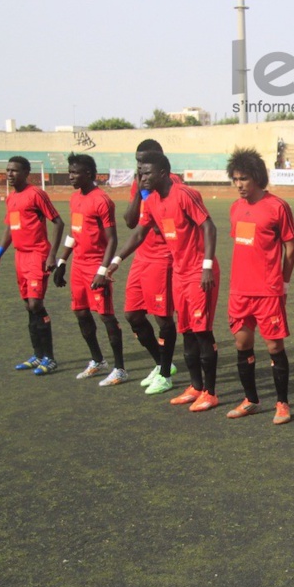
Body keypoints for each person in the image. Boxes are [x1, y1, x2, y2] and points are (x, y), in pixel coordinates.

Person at [108, 152, 220, 412]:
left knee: (202, 332)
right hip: (180, 272)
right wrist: (116, 260)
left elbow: (209, 227)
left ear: (161, 173)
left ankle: (211, 392)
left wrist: (206, 267)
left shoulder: (184, 194)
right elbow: (139, 232)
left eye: (146, 173)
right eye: (139, 173)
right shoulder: (153, 201)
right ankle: (195, 386)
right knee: (187, 331)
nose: (141, 177)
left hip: (198, 272)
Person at [225, 148, 294, 423]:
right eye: (235, 179)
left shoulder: (277, 206)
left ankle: (282, 403)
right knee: (242, 344)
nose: (239, 185)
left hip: (268, 291)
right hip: (239, 290)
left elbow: (290, 247)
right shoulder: (235, 208)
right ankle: (251, 400)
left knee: (274, 348)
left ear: (256, 177)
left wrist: (285, 283)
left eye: (243, 179)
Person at [51, 154, 126, 385]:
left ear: (90, 175)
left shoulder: (102, 201)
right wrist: (62, 262)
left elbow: (112, 239)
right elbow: (74, 232)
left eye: (76, 172)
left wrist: (103, 271)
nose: (71, 176)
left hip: (96, 264)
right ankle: (97, 360)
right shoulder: (74, 199)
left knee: (106, 316)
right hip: (78, 266)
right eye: (70, 171)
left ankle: (120, 368)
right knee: (81, 313)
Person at [0, 156, 64, 375]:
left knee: (35, 304)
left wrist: (52, 255)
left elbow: (58, 222)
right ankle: (37, 355)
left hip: (37, 254)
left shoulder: (36, 194)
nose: (9, 174)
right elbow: (10, 228)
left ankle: (49, 358)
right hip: (19, 256)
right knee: (27, 306)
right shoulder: (11, 198)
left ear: (26, 173)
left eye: (14, 171)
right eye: (7, 170)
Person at [120, 140, 181, 395]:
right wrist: (139, 192)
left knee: (163, 318)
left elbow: (159, 224)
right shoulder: (140, 182)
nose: (140, 167)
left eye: (144, 162)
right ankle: (161, 363)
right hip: (142, 256)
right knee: (132, 315)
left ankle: (165, 374)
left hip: (163, 256)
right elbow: (130, 222)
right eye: (137, 162)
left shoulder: (173, 183)